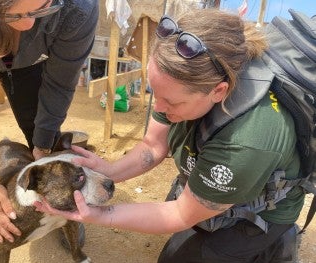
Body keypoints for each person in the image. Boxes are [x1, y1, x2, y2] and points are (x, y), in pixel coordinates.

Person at [34, 8, 303, 262]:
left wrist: (98, 215)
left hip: (259, 210)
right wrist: (108, 171)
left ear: (218, 92)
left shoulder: (247, 140)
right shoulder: (180, 85)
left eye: (171, 103)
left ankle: (277, 242)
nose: (159, 109)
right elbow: (152, 147)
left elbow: (181, 214)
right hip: (217, 177)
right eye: (155, 93)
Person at [0, 0, 98, 245]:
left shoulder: (78, 8)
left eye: (44, 6)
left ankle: (63, 212)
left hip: (31, 61)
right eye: (11, 15)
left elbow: (59, 84)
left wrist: (44, 145)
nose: (29, 24)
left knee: (38, 126)